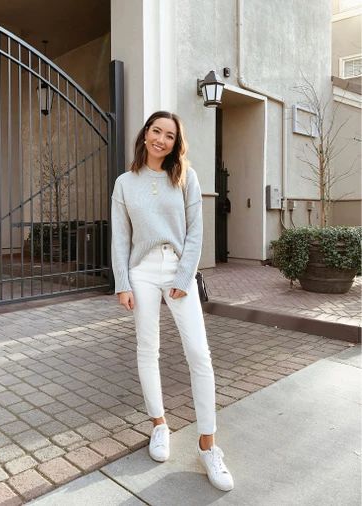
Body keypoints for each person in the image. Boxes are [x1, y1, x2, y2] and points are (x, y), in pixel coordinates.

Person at [110, 110, 234, 492]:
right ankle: (159, 425)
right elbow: (120, 237)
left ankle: (208, 444)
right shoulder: (125, 183)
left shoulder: (185, 177)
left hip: (177, 267)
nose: (161, 139)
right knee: (148, 349)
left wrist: (184, 275)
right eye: (156, 131)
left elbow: (197, 230)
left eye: (169, 135)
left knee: (199, 353)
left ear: (176, 142)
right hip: (142, 271)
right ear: (145, 134)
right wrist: (122, 283)